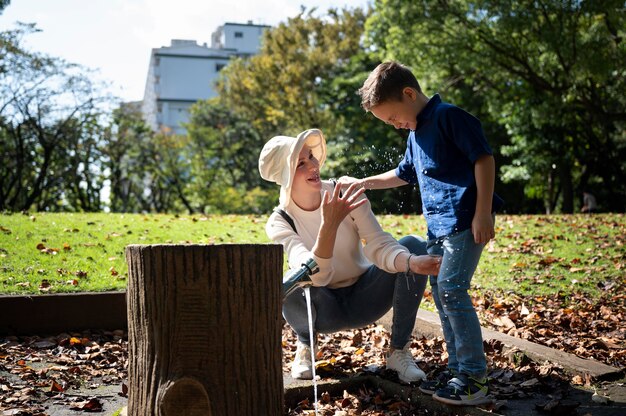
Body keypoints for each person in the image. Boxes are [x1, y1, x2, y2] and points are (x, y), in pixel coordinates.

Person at [340, 61, 504, 406]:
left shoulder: (448, 117)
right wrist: (363, 182)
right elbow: (403, 173)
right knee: (443, 294)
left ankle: (474, 376)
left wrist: (483, 211)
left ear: (409, 94)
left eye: (391, 118)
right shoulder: (416, 135)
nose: (395, 125)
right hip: (438, 229)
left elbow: (484, 160)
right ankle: (458, 368)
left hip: (464, 222)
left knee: (453, 291)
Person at [258, 128, 442, 383]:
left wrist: (411, 262)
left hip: (366, 296)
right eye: (301, 163)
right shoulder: (280, 221)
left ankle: (399, 351)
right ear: (286, 176)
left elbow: (378, 244)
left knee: (414, 244)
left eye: (311, 156)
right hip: (323, 309)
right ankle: (306, 345)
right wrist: (329, 225)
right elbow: (315, 276)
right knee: (292, 281)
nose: (313, 165)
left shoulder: (344, 191)